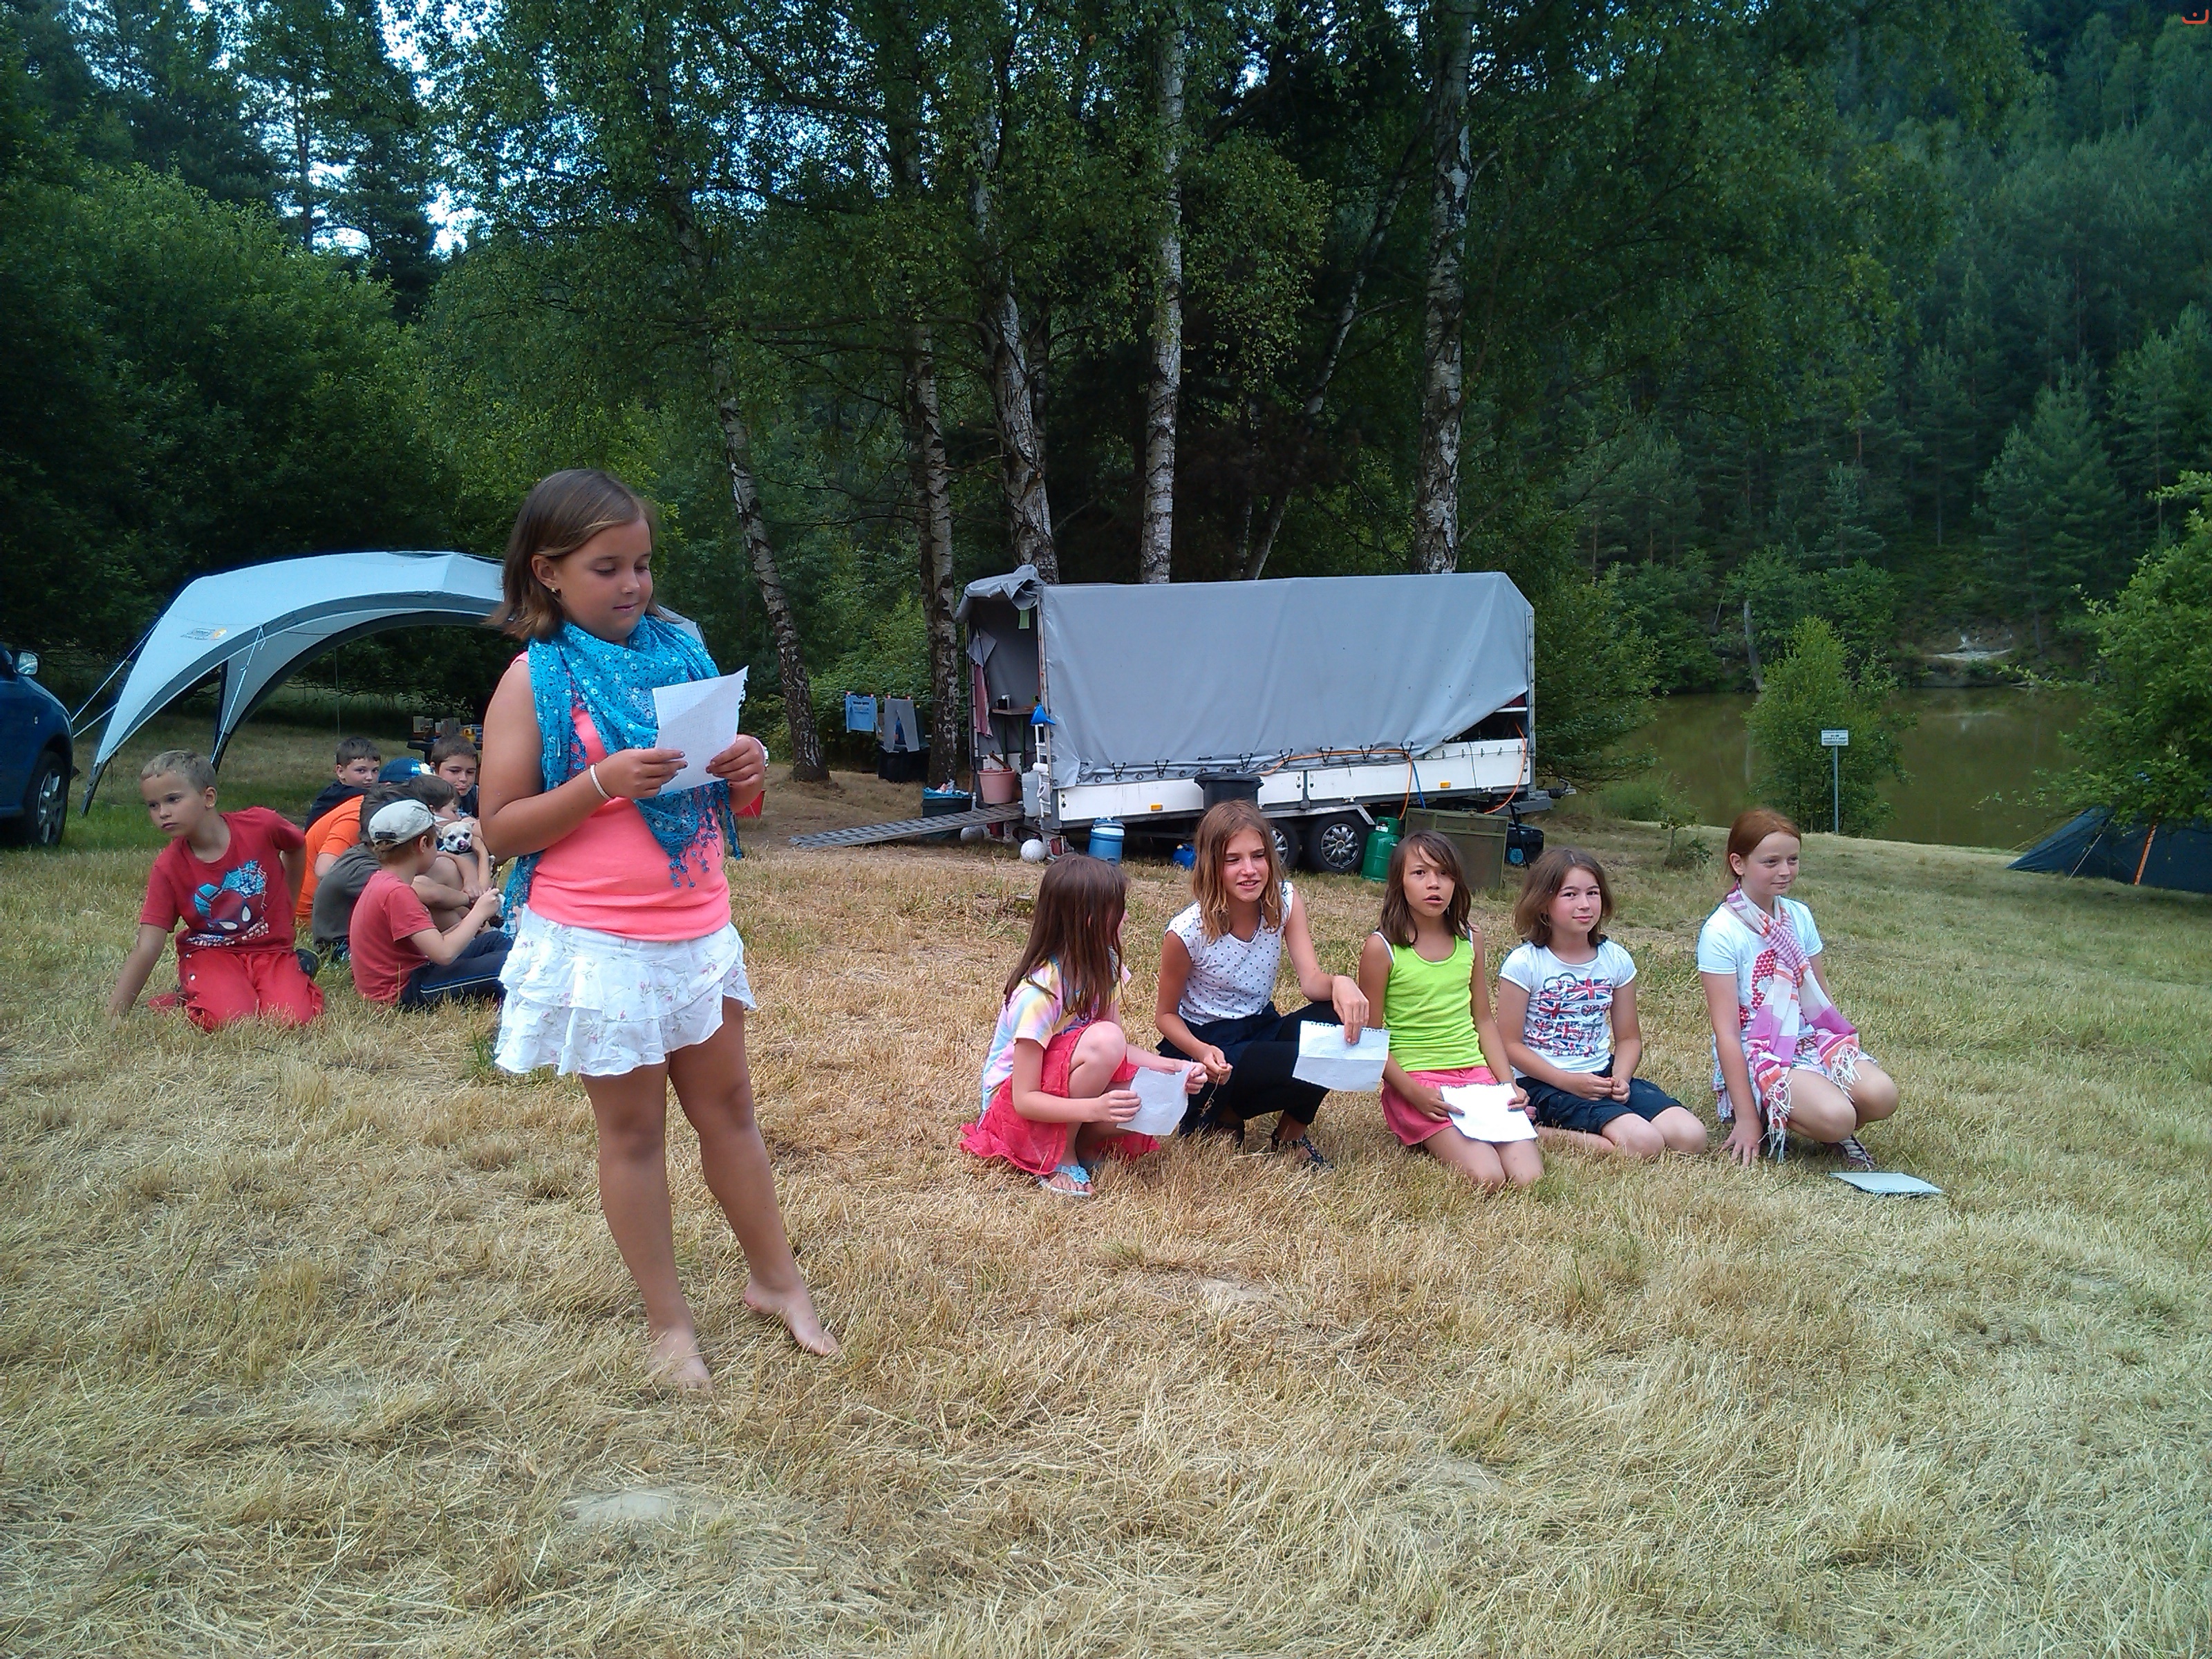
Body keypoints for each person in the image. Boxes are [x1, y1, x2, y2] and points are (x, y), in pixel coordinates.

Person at [478, 467, 832, 1385]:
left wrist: (748, 770)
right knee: (634, 1134)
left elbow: (727, 803)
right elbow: (501, 830)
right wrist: (600, 782)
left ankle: (776, 1282)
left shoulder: (683, 650)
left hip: (697, 928)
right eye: (607, 568)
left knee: (731, 1113)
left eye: (641, 564)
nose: (633, 585)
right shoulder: (535, 676)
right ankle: (668, 1324)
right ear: (547, 572)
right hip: (600, 944)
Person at [966, 854, 1203, 1197]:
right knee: (1107, 1042)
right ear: (1092, 921)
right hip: (1010, 1110)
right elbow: (1024, 1099)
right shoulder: (1038, 993)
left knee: (1146, 1092)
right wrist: (1093, 1108)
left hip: (1065, 1089)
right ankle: (1060, 1155)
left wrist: (1173, 1068)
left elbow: (1119, 1049)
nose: (1126, 917)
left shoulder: (1104, 966)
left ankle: (1082, 1144)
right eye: (1119, 909)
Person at [1154, 800, 1369, 1170]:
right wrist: (1202, 1051)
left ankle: (1290, 1136)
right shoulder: (1187, 931)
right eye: (1233, 859)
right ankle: (1224, 1113)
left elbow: (1312, 982)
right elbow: (1165, 1017)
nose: (1249, 870)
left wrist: (1342, 983)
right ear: (1211, 865)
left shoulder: (1285, 902)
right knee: (1312, 1060)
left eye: (1258, 856)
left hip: (1261, 1028)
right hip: (1211, 1046)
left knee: (1336, 1024)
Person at [1698, 808, 1900, 1168]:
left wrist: (1835, 1048)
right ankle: (1769, 1117)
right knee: (1839, 1117)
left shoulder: (1798, 916)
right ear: (1738, 863)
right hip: (1757, 1050)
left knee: (1882, 1096)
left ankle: (1817, 1111)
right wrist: (1745, 1119)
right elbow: (1727, 1033)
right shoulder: (1721, 931)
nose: (1785, 871)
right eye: (1771, 862)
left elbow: (1821, 999)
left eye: (1793, 860)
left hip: (1806, 1038)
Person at [1496, 847, 1707, 1159]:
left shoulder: (1615, 959)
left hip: (1602, 1075)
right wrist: (1566, 1081)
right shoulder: (1525, 963)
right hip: (1544, 1083)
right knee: (1644, 1144)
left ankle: (1612, 1120)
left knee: (1691, 1137)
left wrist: (1621, 1077)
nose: (1584, 904)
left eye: (1592, 893)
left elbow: (1629, 1038)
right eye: (1570, 894)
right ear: (1543, 903)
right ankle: (1538, 1131)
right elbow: (1508, 1044)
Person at [1355, 831, 1537, 1190]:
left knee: (1528, 1178)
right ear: (1399, 882)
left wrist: (1507, 1084)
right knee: (1487, 1177)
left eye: (1444, 873)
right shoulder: (1382, 948)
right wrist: (1413, 1093)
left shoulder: (1471, 938)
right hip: (1420, 1080)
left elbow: (1482, 1018)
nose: (1433, 884)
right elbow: (1370, 1039)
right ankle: (1430, 1132)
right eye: (1419, 873)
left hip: (1477, 1077)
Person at [108, 750, 324, 1029]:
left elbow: (296, 846)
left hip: (271, 949)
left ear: (208, 797)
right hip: (211, 953)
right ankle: (191, 993)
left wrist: (288, 907)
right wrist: (115, 1013)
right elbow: (148, 945)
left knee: (292, 1020)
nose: (162, 813)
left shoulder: (261, 825)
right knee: (231, 1019)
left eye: (173, 799)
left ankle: (294, 972)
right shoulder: (168, 868)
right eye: (152, 805)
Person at [347, 799, 509, 1006]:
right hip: (406, 990)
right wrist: (479, 912)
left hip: (413, 972)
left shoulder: (382, 881)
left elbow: (430, 942)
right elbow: (444, 954)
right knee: (510, 963)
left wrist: (467, 926)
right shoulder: (397, 892)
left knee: (494, 941)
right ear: (423, 844)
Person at [307, 783, 412, 966]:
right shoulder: (361, 867)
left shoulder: (377, 856)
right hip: (340, 949)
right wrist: (463, 898)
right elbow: (422, 893)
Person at [305, 736, 380, 826]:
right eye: (361, 771)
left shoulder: (334, 790)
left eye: (375, 771)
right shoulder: (338, 798)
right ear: (340, 771)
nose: (370, 777)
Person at [429, 735, 481, 816]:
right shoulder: (425, 797)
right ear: (434, 769)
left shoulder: (473, 794)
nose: (464, 779)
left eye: (470, 772)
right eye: (455, 771)